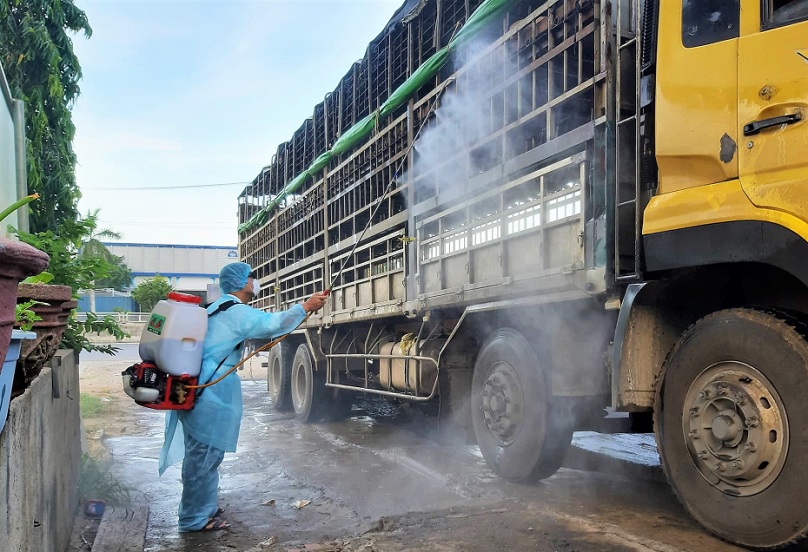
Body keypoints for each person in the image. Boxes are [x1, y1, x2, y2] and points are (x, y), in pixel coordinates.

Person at [158, 261, 327, 532]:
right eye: (252, 277)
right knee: (204, 457)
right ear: (241, 282)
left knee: (203, 455)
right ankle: (194, 519)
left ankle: (204, 508)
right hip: (209, 391)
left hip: (198, 387)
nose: (254, 281)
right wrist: (305, 307)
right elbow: (270, 324)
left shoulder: (215, 308)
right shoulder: (234, 311)